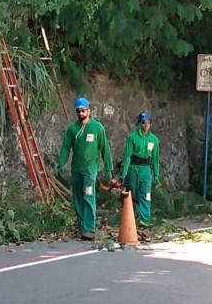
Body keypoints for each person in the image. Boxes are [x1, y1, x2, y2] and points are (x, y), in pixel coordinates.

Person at [57, 96, 113, 240]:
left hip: (90, 169)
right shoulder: (72, 129)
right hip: (76, 169)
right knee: (78, 199)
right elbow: (65, 148)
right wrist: (61, 164)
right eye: (78, 111)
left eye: (83, 111)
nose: (81, 113)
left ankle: (89, 229)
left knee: (88, 197)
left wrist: (108, 167)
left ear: (89, 110)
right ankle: (82, 228)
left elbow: (105, 149)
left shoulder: (97, 128)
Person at [121, 111, 160, 226]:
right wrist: (124, 173)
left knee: (146, 194)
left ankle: (145, 219)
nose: (146, 125)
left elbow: (155, 158)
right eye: (143, 122)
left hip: (146, 170)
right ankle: (135, 217)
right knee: (134, 194)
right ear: (139, 124)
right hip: (133, 169)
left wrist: (156, 173)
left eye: (148, 122)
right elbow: (127, 156)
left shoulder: (154, 140)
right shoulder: (132, 138)